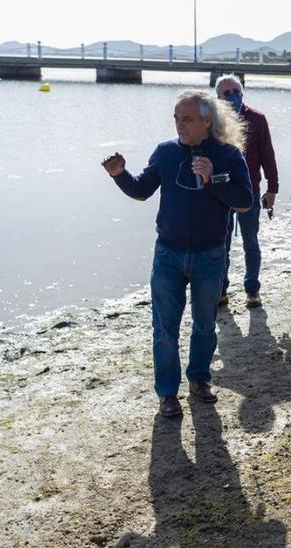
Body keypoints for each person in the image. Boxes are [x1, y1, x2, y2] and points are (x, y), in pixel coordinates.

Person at [100, 90, 254, 416]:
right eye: (176, 118)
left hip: (210, 255)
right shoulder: (166, 152)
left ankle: (199, 378)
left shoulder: (227, 155)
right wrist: (119, 175)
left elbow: (244, 201)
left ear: (207, 120)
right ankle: (167, 394)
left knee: (204, 325)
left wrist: (212, 179)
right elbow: (141, 190)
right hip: (167, 253)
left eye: (186, 119)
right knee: (165, 329)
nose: (179, 125)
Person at [216, 74, 279, 309]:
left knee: (250, 243)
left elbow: (268, 156)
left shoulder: (257, 119)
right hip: (220, 194)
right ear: (218, 97)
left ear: (243, 93)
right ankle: (221, 290)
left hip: (250, 192)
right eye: (227, 92)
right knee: (220, 243)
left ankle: (252, 290)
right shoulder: (211, 121)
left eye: (236, 91)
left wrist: (273, 188)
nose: (233, 96)